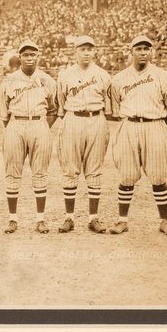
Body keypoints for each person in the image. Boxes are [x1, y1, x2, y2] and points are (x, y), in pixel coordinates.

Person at [106, 35, 167, 236]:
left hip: (155, 125)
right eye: (139, 49)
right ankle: (122, 221)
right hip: (129, 125)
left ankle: (164, 220)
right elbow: (114, 109)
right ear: (131, 51)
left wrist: (154, 123)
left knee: (158, 176)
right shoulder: (119, 78)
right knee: (127, 176)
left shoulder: (164, 76)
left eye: (146, 49)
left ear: (151, 52)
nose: (142, 53)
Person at [0, 41, 59, 234]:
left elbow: (53, 110)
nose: (30, 58)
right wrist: (15, 125)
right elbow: (3, 112)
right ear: (20, 57)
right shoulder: (9, 80)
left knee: (40, 173)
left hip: (40, 123)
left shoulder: (47, 80)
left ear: (38, 56)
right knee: (12, 173)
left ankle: (40, 220)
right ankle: (12, 219)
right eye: (26, 55)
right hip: (16, 123)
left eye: (33, 54)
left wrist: (41, 127)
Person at [54, 35, 112, 234]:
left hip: (97, 118)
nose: (86, 52)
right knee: (70, 168)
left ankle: (93, 218)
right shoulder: (65, 75)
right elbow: (60, 101)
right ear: (75, 51)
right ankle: (69, 217)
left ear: (94, 51)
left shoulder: (103, 75)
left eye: (90, 49)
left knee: (94, 169)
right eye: (82, 49)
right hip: (72, 118)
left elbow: (108, 102)